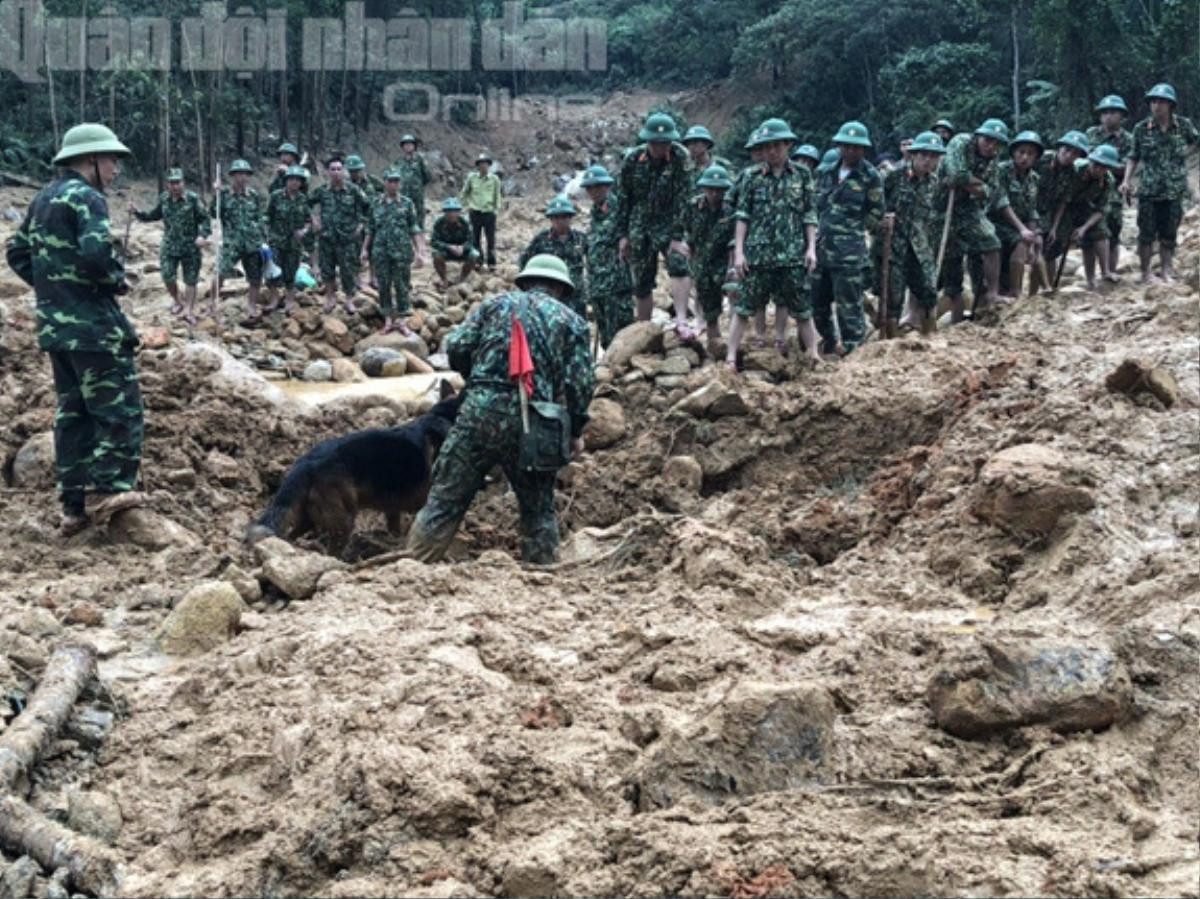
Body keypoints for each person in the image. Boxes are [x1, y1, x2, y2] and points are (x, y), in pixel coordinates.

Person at [407, 254, 594, 565]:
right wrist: (575, 430)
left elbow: (456, 347)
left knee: (443, 501)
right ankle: (543, 578)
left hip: (477, 413)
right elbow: (580, 384)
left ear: (526, 282)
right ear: (561, 288)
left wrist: (479, 380)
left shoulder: (493, 305)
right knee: (538, 511)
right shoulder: (572, 321)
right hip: (534, 421)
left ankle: (411, 568)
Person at [6, 123, 145, 536]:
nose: (116, 169)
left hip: (56, 329)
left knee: (73, 414)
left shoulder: (43, 198)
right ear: (91, 161)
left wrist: (55, 289)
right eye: (112, 160)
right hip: (94, 329)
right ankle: (107, 491)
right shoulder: (88, 197)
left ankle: (73, 507)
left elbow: (16, 252)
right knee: (118, 410)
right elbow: (95, 253)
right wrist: (114, 280)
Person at [729, 118, 820, 366]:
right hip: (758, 255)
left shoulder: (802, 175)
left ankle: (813, 353)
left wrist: (811, 248)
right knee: (744, 307)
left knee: (802, 308)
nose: (772, 151)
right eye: (767, 146)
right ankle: (729, 358)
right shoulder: (751, 176)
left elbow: (809, 214)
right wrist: (739, 252)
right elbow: (742, 216)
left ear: (788, 145)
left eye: (777, 146)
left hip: (792, 254)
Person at [616, 112, 694, 337]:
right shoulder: (632, 160)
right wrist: (623, 235)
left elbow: (685, 198)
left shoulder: (681, 157)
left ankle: (681, 319)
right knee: (641, 278)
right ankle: (644, 328)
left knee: (679, 263)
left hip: (670, 220)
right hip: (639, 223)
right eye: (655, 143)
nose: (660, 147)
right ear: (647, 141)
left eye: (664, 143)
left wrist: (678, 236)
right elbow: (623, 198)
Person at [813, 121, 885, 353]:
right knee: (817, 303)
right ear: (839, 146)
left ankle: (854, 347)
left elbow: (877, 211)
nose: (851, 151)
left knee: (849, 304)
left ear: (863, 150)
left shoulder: (870, 176)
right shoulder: (825, 172)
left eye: (856, 147)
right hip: (821, 248)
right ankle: (829, 341)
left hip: (849, 253)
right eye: (846, 146)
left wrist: (857, 227)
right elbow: (814, 205)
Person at [1121, 83, 1200, 283]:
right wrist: (1126, 180)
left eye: (1161, 102)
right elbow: (1133, 156)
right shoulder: (1141, 129)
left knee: (1169, 233)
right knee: (1146, 233)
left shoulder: (1183, 126)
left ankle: (1166, 271)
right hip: (1149, 189)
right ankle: (1146, 273)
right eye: (1153, 102)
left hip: (1174, 189)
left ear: (1170, 104)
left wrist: (1184, 156)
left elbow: (1196, 141)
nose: (1156, 106)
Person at [933, 118, 1008, 322]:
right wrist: (973, 184)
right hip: (941, 209)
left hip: (968, 209)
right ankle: (948, 318)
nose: (991, 146)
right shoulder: (960, 143)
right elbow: (956, 174)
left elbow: (990, 190)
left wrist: (970, 183)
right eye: (987, 140)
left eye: (996, 143)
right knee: (951, 266)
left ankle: (991, 294)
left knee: (991, 241)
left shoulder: (993, 158)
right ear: (978, 136)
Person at [873, 131, 945, 337]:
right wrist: (882, 220)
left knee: (929, 290)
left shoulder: (934, 183)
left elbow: (932, 215)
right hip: (894, 245)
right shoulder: (893, 177)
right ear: (913, 155)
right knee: (893, 295)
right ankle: (892, 339)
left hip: (920, 247)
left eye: (933, 157)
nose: (928, 161)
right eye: (924, 155)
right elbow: (876, 204)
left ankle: (930, 334)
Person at [130, 167, 210, 324]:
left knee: (191, 279)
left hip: (190, 246)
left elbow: (205, 219)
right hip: (170, 245)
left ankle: (188, 310)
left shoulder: (193, 199)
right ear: (168, 185)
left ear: (183, 183)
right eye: (172, 183)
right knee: (167, 275)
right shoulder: (164, 199)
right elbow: (153, 215)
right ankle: (178, 301)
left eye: (178, 182)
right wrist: (136, 212)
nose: (175, 186)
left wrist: (202, 235)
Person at [1045, 145, 1123, 289]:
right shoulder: (1075, 170)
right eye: (1096, 165)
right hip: (1065, 209)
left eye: (1103, 167)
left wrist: (1084, 228)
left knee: (1099, 233)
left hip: (1087, 209)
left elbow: (1102, 209)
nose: (1098, 169)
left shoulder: (1108, 180)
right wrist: (1055, 227)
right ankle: (1049, 285)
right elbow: (1063, 201)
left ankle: (1103, 273)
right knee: (1054, 244)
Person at [362, 169, 428, 334]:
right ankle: (388, 320)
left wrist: (420, 250)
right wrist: (364, 249)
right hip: (381, 250)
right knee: (383, 284)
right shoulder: (376, 203)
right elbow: (370, 228)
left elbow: (414, 227)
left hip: (402, 250)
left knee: (402, 285)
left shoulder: (407, 203)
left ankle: (402, 320)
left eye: (396, 181)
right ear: (384, 182)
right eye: (390, 181)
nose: (393, 184)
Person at [683, 165, 736, 354]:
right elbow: (683, 231)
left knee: (735, 300)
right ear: (704, 188)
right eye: (710, 189)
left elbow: (735, 239)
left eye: (719, 189)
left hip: (724, 263)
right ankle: (715, 346)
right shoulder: (692, 207)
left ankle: (735, 343)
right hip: (702, 265)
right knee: (710, 310)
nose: (714, 193)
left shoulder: (730, 211)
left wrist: (732, 267)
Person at [580, 164, 634, 350]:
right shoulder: (595, 212)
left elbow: (632, 229)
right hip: (597, 283)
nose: (593, 191)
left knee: (620, 331)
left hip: (616, 281)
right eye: (589, 188)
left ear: (607, 186)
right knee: (604, 332)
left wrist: (626, 238)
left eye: (597, 186)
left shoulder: (619, 206)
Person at [308, 154, 370, 314]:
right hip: (327, 237)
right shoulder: (322, 191)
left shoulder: (354, 190)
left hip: (347, 238)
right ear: (328, 172)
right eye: (333, 169)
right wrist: (314, 219)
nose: (336, 172)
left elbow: (368, 207)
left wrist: (361, 225)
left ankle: (349, 300)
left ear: (344, 171)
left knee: (348, 270)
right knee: (327, 270)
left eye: (339, 169)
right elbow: (305, 203)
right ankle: (330, 297)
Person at [212, 159, 267, 322]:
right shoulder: (224, 195)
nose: (241, 177)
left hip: (251, 243)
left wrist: (261, 236)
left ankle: (251, 305)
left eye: (244, 174)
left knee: (255, 277)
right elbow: (213, 213)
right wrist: (215, 195)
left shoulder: (254, 196)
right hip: (232, 243)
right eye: (238, 174)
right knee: (221, 273)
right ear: (232, 176)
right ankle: (212, 303)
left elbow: (259, 217)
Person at [989, 131, 1042, 298]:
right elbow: (1001, 202)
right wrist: (1022, 229)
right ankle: (1006, 292)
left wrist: (1031, 239)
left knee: (1025, 243)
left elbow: (1032, 211)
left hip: (1016, 228)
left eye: (1030, 154)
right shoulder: (1001, 170)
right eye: (1021, 152)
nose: (1025, 157)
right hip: (995, 223)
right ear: (1013, 153)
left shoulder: (1034, 179)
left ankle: (1016, 292)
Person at [1087, 95, 1134, 275]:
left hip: (1114, 192)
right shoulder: (1091, 134)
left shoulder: (1128, 139)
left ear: (1121, 116)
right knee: (1090, 235)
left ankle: (1110, 272)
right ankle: (1091, 276)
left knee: (1113, 232)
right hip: (1089, 191)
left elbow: (1128, 165)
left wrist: (1103, 167)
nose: (1108, 116)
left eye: (1113, 113)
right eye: (1105, 112)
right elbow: (1085, 159)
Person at [519, 197, 588, 318]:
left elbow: (594, 260)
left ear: (570, 218)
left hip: (575, 296)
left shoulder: (580, 238)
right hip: (551, 294)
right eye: (556, 217)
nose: (560, 221)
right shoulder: (541, 239)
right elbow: (524, 261)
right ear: (551, 219)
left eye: (564, 217)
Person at [264, 165, 315, 315]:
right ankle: (274, 299)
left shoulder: (303, 199)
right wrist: (266, 231)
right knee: (271, 271)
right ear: (286, 181)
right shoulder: (276, 196)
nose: (294, 182)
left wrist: (304, 231)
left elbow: (308, 220)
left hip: (294, 243)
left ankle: (289, 300)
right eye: (291, 179)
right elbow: (267, 215)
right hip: (276, 240)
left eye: (297, 180)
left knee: (291, 272)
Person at [460, 153, 502, 269]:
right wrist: (464, 206)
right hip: (475, 212)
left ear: (489, 166)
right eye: (481, 164)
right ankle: (478, 261)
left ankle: (492, 263)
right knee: (475, 239)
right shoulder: (472, 178)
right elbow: (464, 193)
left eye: (486, 164)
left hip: (489, 213)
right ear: (478, 166)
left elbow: (497, 195)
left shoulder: (494, 179)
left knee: (491, 239)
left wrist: (496, 209)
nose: (483, 166)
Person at [430, 198, 480, 287]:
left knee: (475, 254)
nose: (452, 214)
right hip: (447, 251)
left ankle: (462, 278)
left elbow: (472, 240)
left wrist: (463, 247)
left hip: (462, 250)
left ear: (459, 212)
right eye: (449, 211)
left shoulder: (465, 222)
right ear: (444, 212)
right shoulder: (439, 223)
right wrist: (449, 247)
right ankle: (443, 279)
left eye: (455, 211)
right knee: (436, 255)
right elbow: (433, 241)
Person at [394, 133, 432, 226]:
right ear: (402, 147)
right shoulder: (399, 161)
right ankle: (405, 228)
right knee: (403, 210)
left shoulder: (419, 159)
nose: (408, 146)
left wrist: (419, 185)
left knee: (420, 210)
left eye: (410, 144)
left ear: (414, 146)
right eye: (405, 144)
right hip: (404, 191)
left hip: (417, 191)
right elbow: (393, 175)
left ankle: (420, 229)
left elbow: (427, 175)